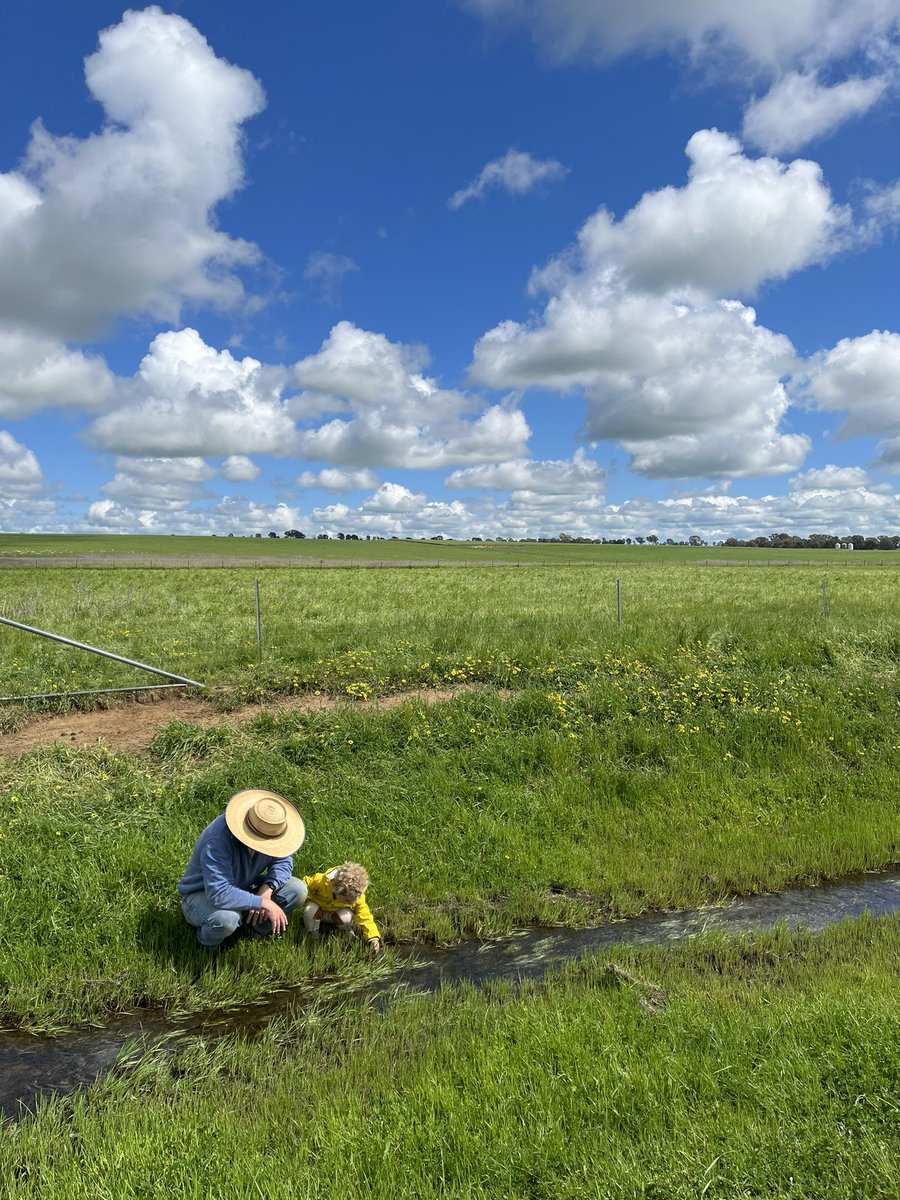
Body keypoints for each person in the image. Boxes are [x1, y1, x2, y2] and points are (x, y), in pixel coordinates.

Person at [178, 788, 308, 950]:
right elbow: (218, 892)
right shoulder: (217, 840)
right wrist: (263, 904)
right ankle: (206, 947)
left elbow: (283, 861)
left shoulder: (270, 831)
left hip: (243, 886)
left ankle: (250, 933)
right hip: (203, 893)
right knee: (225, 919)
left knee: (297, 889)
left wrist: (266, 891)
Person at [302, 862, 382, 954]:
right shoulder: (320, 881)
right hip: (318, 911)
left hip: (335, 915)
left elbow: (364, 915)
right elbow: (304, 886)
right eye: (348, 900)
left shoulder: (356, 895)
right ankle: (313, 937)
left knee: (346, 917)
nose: (352, 903)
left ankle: (345, 933)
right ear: (338, 891)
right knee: (310, 910)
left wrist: (373, 937)